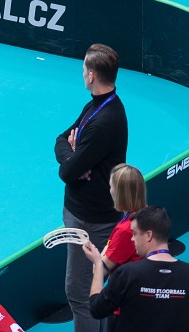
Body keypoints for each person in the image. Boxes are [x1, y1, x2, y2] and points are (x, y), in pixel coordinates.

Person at [53, 43, 129, 332]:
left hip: (91, 221)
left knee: (80, 293)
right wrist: (74, 155)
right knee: (88, 290)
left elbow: (66, 172)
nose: (82, 72)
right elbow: (61, 139)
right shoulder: (96, 106)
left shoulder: (104, 120)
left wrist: (73, 161)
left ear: (92, 74)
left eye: (84, 68)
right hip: (83, 212)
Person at [84, 206, 189, 331]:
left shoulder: (126, 274)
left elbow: (96, 310)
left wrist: (98, 264)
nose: (132, 239)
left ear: (148, 235)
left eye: (134, 233)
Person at [95, 163, 147, 330]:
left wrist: (96, 256)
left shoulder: (126, 230)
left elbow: (100, 269)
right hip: (141, 301)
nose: (109, 190)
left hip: (123, 307)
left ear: (119, 193)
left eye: (112, 187)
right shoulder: (148, 215)